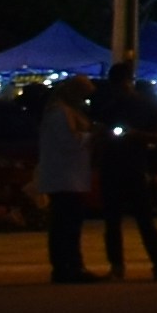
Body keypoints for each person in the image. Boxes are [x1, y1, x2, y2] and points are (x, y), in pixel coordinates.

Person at [95, 76, 157, 281]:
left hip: (132, 167)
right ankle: (123, 267)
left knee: (142, 220)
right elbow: (99, 133)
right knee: (117, 222)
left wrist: (133, 135)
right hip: (118, 167)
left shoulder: (143, 106)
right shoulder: (111, 107)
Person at [30, 77, 101, 279]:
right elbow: (69, 142)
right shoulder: (60, 113)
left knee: (66, 224)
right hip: (65, 177)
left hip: (67, 176)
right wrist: (92, 136)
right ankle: (67, 266)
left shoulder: (62, 111)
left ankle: (68, 265)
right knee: (66, 224)